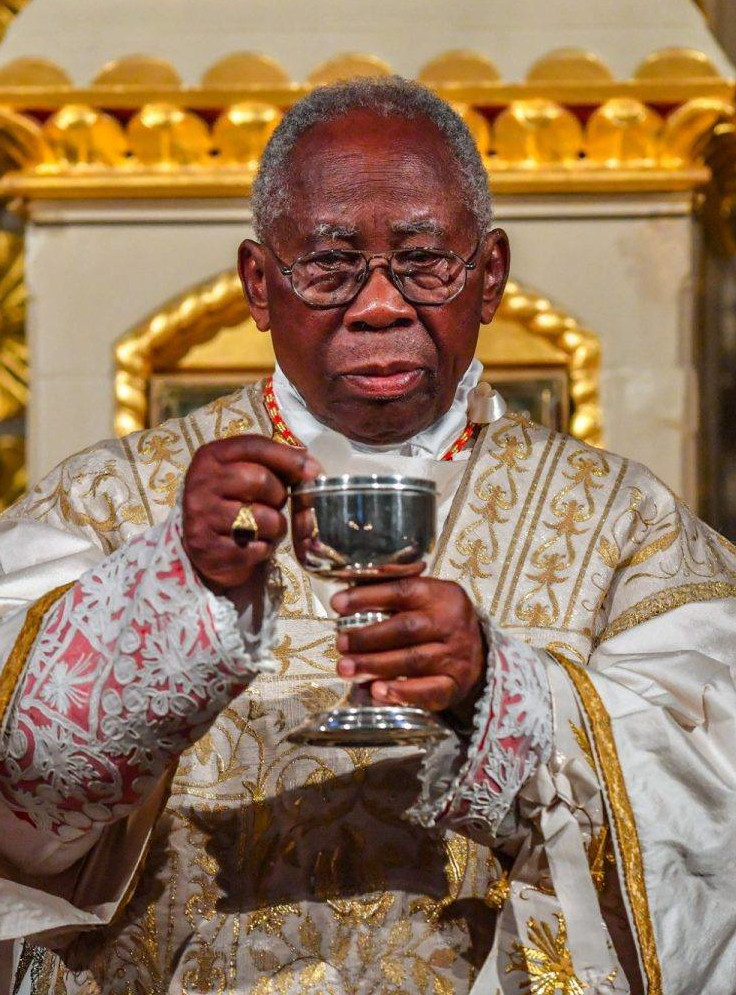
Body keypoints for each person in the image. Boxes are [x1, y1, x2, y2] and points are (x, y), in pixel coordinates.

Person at [0, 77, 734, 995]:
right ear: (259, 284)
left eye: (424, 261)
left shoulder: (625, 523)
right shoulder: (113, 501)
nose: (380, 304)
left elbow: (711, 806)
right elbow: (20, 805)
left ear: (491, 276)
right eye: (330, 264)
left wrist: (504, 694)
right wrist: (170, 595)